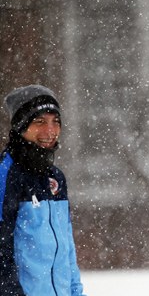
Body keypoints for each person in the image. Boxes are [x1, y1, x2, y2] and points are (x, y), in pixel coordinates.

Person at [0, 85, 85, 295]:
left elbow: (67, 250)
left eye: (55, 121)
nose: (50, 131)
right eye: (40, 122)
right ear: (21, 126)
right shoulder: (5, 175)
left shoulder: (56, 178)